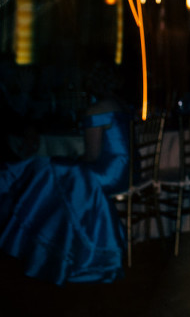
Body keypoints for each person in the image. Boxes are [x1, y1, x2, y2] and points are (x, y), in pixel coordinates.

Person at [0, 61, 130, 284]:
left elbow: (91, 156)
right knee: (57, 173)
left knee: (52, 171)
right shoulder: (121, 105)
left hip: (108, 175)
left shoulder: (96, 110)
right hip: (126, 172)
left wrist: (73, 160)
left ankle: (48, 243)